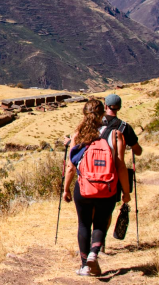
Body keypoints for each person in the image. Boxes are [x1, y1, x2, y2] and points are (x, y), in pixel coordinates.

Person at [63, 99, 131, 276]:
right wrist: (125, 191)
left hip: (84, 187)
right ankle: (94, 253)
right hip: (108, 188)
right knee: (100, 222)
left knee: (84, 224)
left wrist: (66, 189)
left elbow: (70, 166)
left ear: (84, 114)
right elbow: (121, 166)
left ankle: (85, 264)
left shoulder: (78, 134)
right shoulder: (116, 134)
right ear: (103, 113)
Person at [99, 93, 141, 253]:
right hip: (112, 175)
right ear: (119, 107)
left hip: (91, 174)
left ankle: (91, 241)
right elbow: (138, 151)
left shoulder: (94, 124)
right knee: (107, 210)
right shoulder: (124, 128)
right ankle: (100, 240)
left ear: (105, 105)